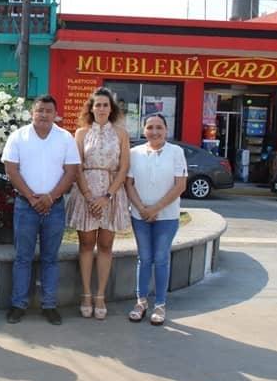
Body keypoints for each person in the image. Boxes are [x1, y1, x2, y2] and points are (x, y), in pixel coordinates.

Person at [2, 95, 80, 325]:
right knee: (23, 258)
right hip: (25, 206)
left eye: (48, 111)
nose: (44, 115)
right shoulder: (19, 137)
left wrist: (50, 197)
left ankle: (49, 306)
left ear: (56, 114)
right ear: (32, 113)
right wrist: (32, 197)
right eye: (39, 111)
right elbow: (11, 170)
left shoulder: (65, 138)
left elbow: (71, 172)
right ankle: (18, 305)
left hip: (54, 208)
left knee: (50, 259)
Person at [66, 87, 131, 320]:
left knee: (105, 245)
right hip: (86, 194)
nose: (101, 108)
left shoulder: (121, 134)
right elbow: (77, 166)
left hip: (111, 194)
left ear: (111, 108)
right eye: (97, 105)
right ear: (91, 108)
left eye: (105, 105)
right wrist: (89, 196)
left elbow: (124, 167)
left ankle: (100, 295)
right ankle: (85, 294)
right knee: (85, 245)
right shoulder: (81, 133)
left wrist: (108, 196)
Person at [124, 114, 187, 326]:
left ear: (166, 130)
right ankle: (140, 302)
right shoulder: (134, 153)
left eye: (159, 127)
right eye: (150, 127)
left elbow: (180, 185)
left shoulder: (176, 152)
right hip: (139, 215)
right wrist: (142, 208)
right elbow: (129, 184)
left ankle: (160, 304)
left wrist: (156, 208)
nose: (154, 131)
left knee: (161, 259)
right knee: (144, 258)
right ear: (144, 130)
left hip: (167, 216)